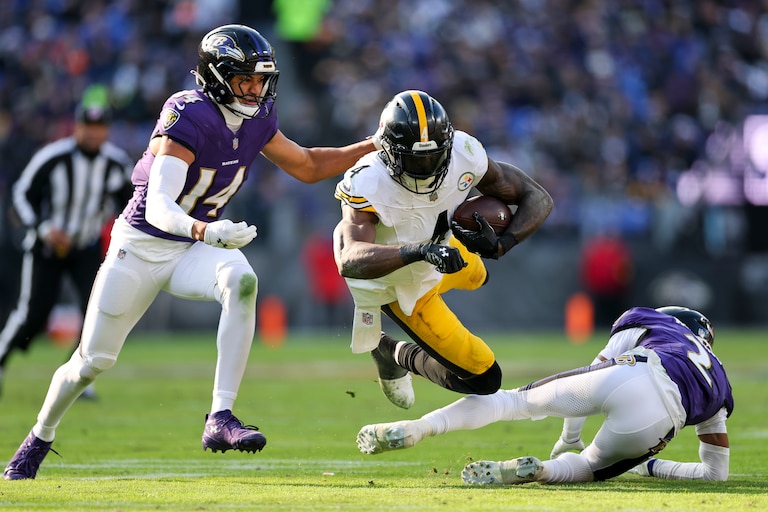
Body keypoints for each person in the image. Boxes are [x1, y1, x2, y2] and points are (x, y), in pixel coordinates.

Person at [3, 23, 377, 481]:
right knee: (91, 363)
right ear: (218, 76)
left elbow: (309, 164)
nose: (256, 89)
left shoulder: (259, 118)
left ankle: (220, 417)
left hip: (192, 248)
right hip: (140, 247)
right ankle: (39, 436)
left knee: (242, 281)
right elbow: (159, 206)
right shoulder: (188, 113)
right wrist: (204, 229)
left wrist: (375, 146)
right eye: (246, 79)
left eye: (261, 79)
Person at [333, 90, 553, 410]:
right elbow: (349, 259)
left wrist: (503, 244)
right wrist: (419, 251)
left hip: (443, 252)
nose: (424, 167)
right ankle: (391, 353)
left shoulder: (465, 153)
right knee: (485, 379)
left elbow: (537, 197)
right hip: (400, 284)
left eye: (432, 157)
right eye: (413, 158)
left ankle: (448, 264)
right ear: (388, 151)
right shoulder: (368, 180)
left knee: (480, 276)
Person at [356, 306, 733, 485]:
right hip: (661, 421)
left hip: (637, 369)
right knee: (585, 467)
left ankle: (421, 427)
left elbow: (595, 371)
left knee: (512, 401)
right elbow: (716, 473)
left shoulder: (655, 322)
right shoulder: (720, 381)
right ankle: (541, 470)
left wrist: (568, 436)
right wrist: (647, 465)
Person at [0, 94, 133, 399]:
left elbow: (129, 205)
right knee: (32, 315)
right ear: (77, 127)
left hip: (85, 247)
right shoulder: (54, 157)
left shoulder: (115, 163)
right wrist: (44, 228)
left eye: (100, 127)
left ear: (107, 130)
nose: (93, 133)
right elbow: (22, 194)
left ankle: (77, 377)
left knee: (95, 314)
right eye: (88, 126)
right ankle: (1, 361)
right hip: (46, 247)